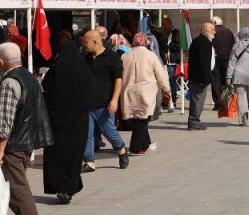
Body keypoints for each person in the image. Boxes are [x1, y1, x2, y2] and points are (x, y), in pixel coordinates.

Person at [0, 42, 52, 215]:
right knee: (15, 190)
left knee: (18, 191)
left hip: (13, 146)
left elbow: (5, 120)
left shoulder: (9, 83)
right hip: (26, 142)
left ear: (1, 61)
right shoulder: (29, 78)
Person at [42, 39, 94, 204]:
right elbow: (91, 93)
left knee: (57, 155)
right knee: (73, 155)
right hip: (78, 121)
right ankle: (68, 188)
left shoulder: (55, 70)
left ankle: (60, 186)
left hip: (56, 120)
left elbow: (45, 86)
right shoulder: (83, 70)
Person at [81, 30, 129, 171]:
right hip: (86, 103)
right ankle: (89, 162)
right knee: (86, 134)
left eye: (86, 42)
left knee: (109, 132)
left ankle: (121, 149)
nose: (84, 45)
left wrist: (114, 100)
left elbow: (118, 80)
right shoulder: (84, 58)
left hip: (104, 104)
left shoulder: (112, 58)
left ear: (95, 42)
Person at [119, 32, 170, 154]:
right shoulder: (151, 56)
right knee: (142, 119)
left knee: (139, 118)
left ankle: (146, 143)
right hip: (146, 91)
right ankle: (136, 148)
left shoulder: (125, 56)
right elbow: (161, 74)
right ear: (146, 42)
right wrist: (166, 89)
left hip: (128, 91)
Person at [187, 20, 217, 130]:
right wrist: (205, 79)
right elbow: (203, 63)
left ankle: (194, 120)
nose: (215, 32)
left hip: (196, 76)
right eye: (213, 29)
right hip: (199, 78)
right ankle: (194, 121)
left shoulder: (198, 40)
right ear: (206, 31)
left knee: (196, 100)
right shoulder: (204, 43)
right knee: (198, 100)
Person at [212, 16, 236, 92]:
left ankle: (217, 97)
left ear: (215, 22)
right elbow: (233, 44)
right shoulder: (228, 31)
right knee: (226, 78)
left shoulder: (213, 31)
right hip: (227, 58)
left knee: (216, 79)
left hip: (216, 59)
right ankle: (226, 95)